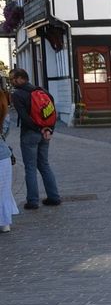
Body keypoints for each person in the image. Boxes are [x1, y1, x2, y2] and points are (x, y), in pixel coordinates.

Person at [9, 68, 61, 210]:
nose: (11, 82)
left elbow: (24, 117)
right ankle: (54, 197)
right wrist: (49, 129)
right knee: (44, 164)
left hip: (30, 134)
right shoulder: (42, 91)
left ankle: (32, 201)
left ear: (21, 78)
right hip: (45, 134)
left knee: (30, 167)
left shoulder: (18, 94)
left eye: (13, 79)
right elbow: (52, 111)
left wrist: (38, 129)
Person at [0, 87, 19, 232]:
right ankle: (5, 222)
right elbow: (5, 133)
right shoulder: (4, 113)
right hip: (3, 156)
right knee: (4, 190)